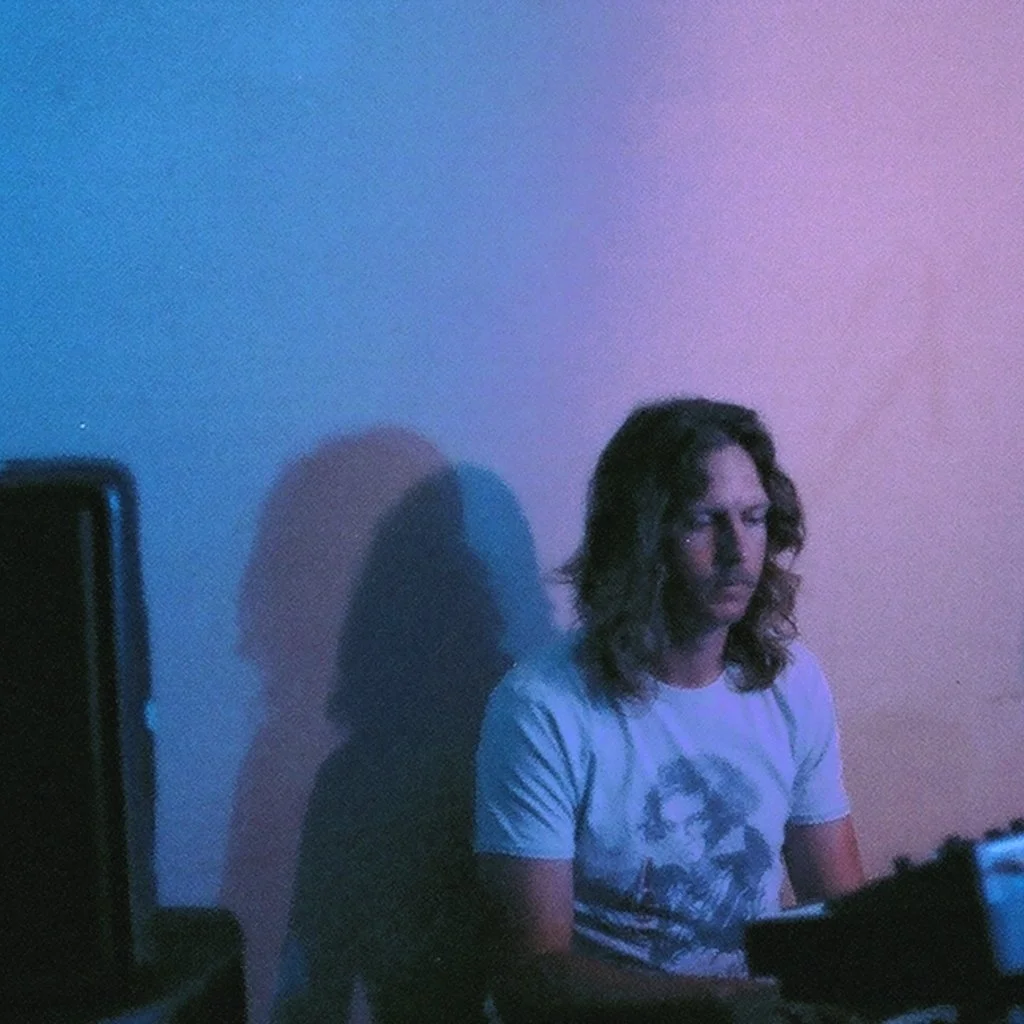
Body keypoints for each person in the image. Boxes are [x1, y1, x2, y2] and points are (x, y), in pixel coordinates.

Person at [474, 398, 865, 1023]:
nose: (738, 551)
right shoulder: (542, 708)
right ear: (642, 538)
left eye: (754, 518)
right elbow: (531, 978)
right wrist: (727, 1002)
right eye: (703, 521)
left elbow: (845, 915)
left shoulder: (792, 682)